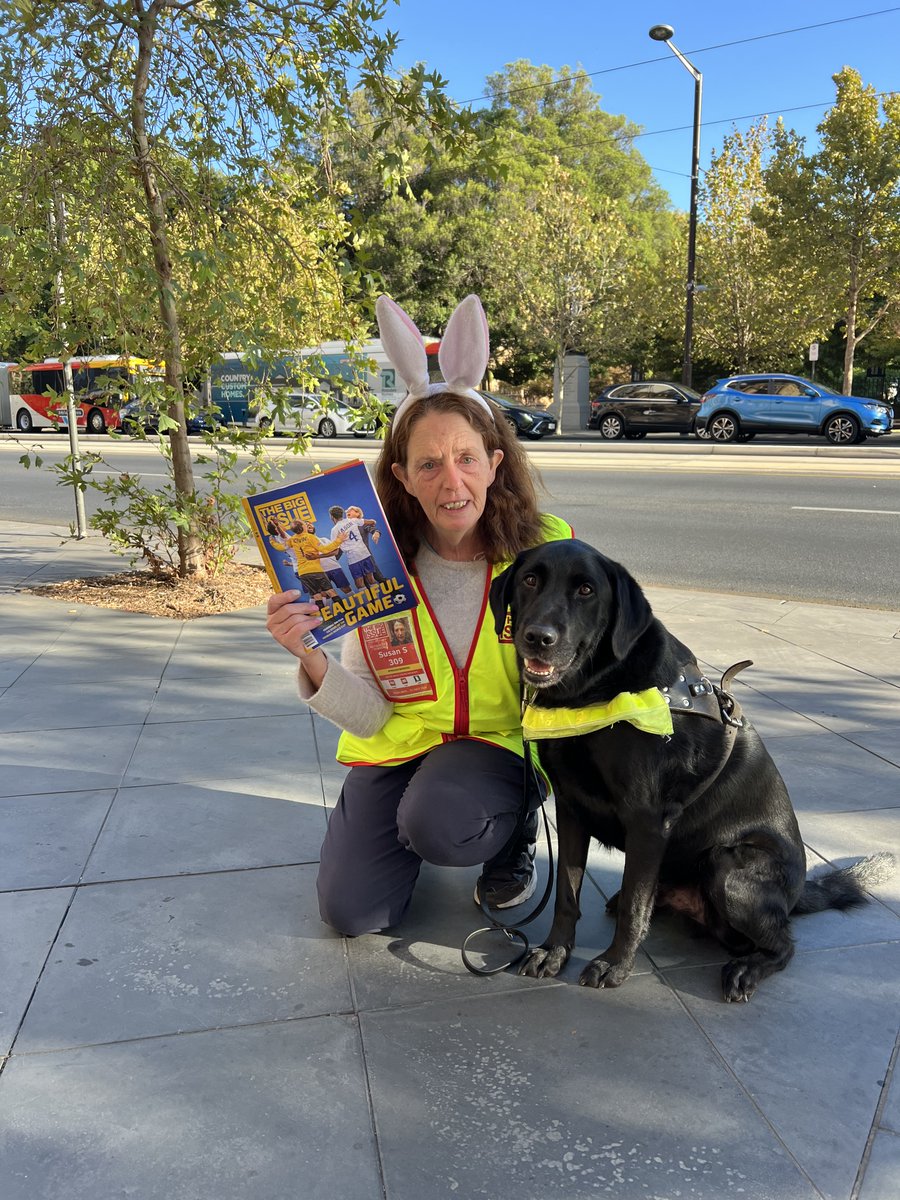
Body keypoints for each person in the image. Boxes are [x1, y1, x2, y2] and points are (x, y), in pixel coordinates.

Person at [266, 294, 572, 936]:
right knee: (351, 913)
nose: (450, 481)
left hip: (500, 747)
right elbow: (373, 710)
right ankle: (425, 817)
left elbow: (581, 679)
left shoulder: (545, 552)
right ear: (402, 477)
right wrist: (311, 658)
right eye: (429, 464)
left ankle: (503, 830)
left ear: (495, 464)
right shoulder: (376, 563)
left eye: (466, 459)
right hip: (402, 748)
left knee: (438, 820)